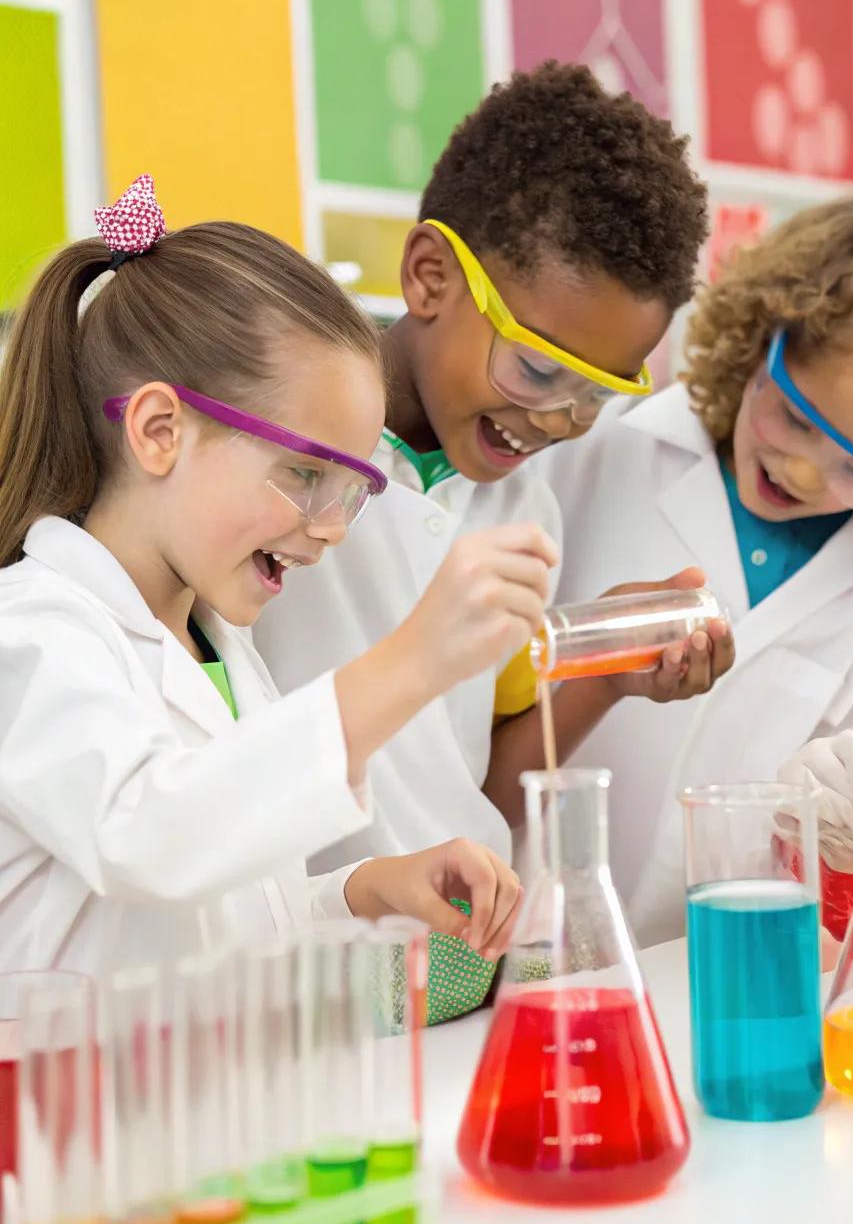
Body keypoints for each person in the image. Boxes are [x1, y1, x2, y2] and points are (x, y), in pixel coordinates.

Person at [255, 64, 731, 1020]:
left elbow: (479, 787)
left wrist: (609, 670)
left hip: (465, 966)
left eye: (600, 392)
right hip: (308, 965)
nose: (559, 421)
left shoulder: (524, 512)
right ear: (430, 276)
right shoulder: (273, 463)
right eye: (538, 369)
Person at [0, 174, 556, 977]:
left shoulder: (215, 648)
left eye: (351, 491)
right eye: (304, 476)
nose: (331, 529)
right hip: (66, 1097)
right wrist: (415, 659)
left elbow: (230, 912)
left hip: (201, 1085)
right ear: (160, 431)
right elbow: (152, 839)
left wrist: (365, 890)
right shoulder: (32, 635)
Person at [542, 196, 853, 944]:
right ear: (761, 341)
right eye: (796, 418)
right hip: (526, 931)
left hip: (722, 963)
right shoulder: (604, 456)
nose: (802, 471)